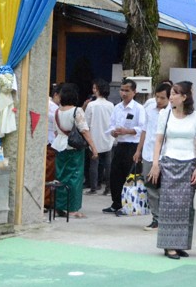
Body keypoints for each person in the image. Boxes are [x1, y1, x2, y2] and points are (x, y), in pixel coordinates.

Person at [147, 81, 196, 260]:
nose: (171, 97)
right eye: (170, 94)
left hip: (189, 162)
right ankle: (168, 244)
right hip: (169, 161)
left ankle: (180, 244)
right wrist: (156, 163)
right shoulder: (165, 114)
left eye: (175, 94)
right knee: (169, 205)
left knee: (185, 207)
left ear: (185, 97)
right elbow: (158, 140)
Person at [51, 84, 98, 219]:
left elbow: (55, 131)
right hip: (74, 147)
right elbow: (84, 130)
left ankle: (59, 206)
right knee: (75, 178)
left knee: (60, 177)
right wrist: (93, 148)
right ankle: (72, 209)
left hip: (59, 146)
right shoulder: (77, 111)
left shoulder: (57, 112)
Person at [135, 82, 170, 230]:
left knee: (164, 188)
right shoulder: (149, 110)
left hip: (165, 155)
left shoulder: (171, 113)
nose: (159, 100)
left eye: (162, 98)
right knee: (150, 187)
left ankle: (166, 218)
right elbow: (144, 130)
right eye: (157, 97)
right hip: (148, 154)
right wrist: (138, 150)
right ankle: (156, 218)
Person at [104, 81, 144, 215]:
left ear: (134, 92)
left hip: (132, 146)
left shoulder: (138, 108)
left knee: (131, 176)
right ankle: (116, 204)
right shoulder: (117, 108)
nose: (124, 93)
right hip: (119, 145)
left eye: (127, 90)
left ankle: (130, 205)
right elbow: (110, 125)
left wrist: (128, 131)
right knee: (115, 175)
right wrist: (113, 132)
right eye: (122, 90)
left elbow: (142, 128)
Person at [84, 80, 114, 195]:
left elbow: (86, 122)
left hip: (94, 138)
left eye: (95, 88)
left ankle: (93, 187)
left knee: (94, 164)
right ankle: (108, 187)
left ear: (99, 90)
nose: (93, 90)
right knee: (108, 164)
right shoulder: (111, 105)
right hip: (108, 138)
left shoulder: (92, 105)